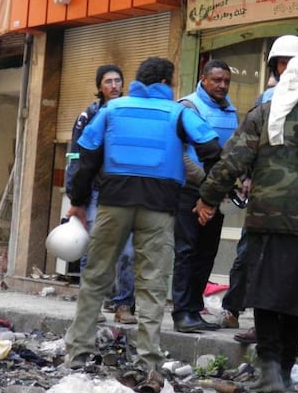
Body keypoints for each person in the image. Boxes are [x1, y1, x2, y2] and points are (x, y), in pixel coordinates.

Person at [195, 54, 298, 393]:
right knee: (297, 298)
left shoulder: (261, 116)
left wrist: (207, 199)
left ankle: (270, 369)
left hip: (266, 223)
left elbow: (230, 164)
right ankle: (284, 371)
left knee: (266, 295)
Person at [63, 57, 222, 371]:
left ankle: (77, 353)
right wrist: (208, 197)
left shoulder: (111, 110)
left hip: (112, 205)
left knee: (95, 278)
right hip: (159, 209)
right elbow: (212, 150)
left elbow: (86, 156)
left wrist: (78, 201)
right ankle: (148, 361)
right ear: (164, 82)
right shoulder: (178, 113)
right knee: (152, 285)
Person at [228, 35, 298, 343]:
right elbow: (247, 144)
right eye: (281, 63)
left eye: (291, 63)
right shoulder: (265, 100)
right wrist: (248, 176)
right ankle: (250, 318)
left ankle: (295, 324)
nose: (286, 68)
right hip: (267, 198)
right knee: (256, 261)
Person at [64, 64, 137, 325]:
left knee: (128, 252)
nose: (114, 86)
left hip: (126, 192)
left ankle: (123, 305)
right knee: (93, 250)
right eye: (108, 81)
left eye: (118, 80)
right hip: (96, 193)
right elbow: (76, 158)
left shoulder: (130, 113)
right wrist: (76, 198)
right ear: (99, 87)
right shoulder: (89, 115)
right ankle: (91, 306)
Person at [171, 60, 238, 333]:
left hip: (217, 191)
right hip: (190, 191)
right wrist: (209, 183)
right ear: (203, 79)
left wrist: (228, 183)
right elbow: (181, 154)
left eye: (226, 81)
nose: (222, 86)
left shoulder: (230, 110)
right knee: (186, 251)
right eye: (217, 80)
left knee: (206, 252)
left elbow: (232, 151)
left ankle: (194, 309)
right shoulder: (188, 107)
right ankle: (181, 312)